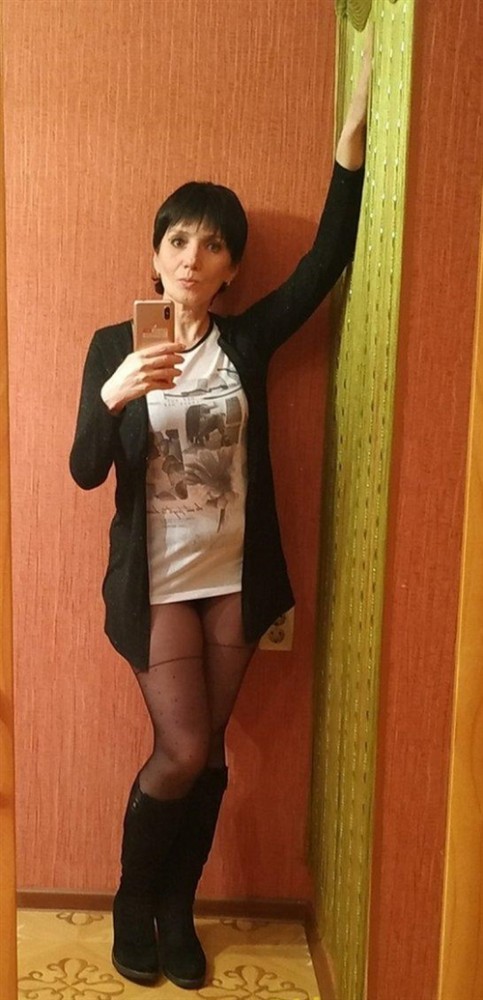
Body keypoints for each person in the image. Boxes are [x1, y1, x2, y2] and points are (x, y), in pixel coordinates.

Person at [69, 52, 370, 992]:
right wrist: (113, 397)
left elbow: (322, 266)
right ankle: (133, 903)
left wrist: (349, 151)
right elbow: (83, 471)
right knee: (185, 750)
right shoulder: (113, 346)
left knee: (207, 765)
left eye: (210, 245)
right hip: (158, 582)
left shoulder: (245, 339)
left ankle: (176, 911)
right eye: (177, 240)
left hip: (234, 577)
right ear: (155, 253)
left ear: (232, 266)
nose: (190, 258)